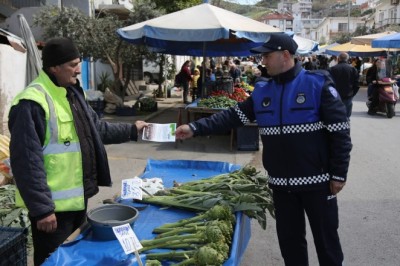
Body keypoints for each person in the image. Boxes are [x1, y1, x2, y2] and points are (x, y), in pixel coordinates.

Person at [175, 33, 352, 266]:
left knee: (327, 243)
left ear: (286, 55)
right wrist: (195, 127)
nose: (263, 61)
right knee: (290, 244)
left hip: (318, 183)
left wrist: (339, 174)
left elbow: (340, 133)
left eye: (267, 56)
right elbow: (232, 116)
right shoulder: (262, 91)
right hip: (281, 185)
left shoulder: (317, 84)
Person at [8, 37, 148, 266]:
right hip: (52, 213)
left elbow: (97, 129)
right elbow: (26, 162)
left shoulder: (73, 94)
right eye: (73, 65)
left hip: (77, 204)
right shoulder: (31, 103)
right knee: (54, 262)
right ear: (54, 67)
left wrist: (132, 130)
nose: (78, 70)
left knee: (75, 261)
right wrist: (42, 209)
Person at [329, 52, 360, 117]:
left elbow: (328, 83)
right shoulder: (353, 69)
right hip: (348, 95)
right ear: (347, 59)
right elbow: (357, 84)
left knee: (336, 115)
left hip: (335, 95)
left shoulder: (332, 69)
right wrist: (352, 93)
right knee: (346, 116)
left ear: (338, 59)